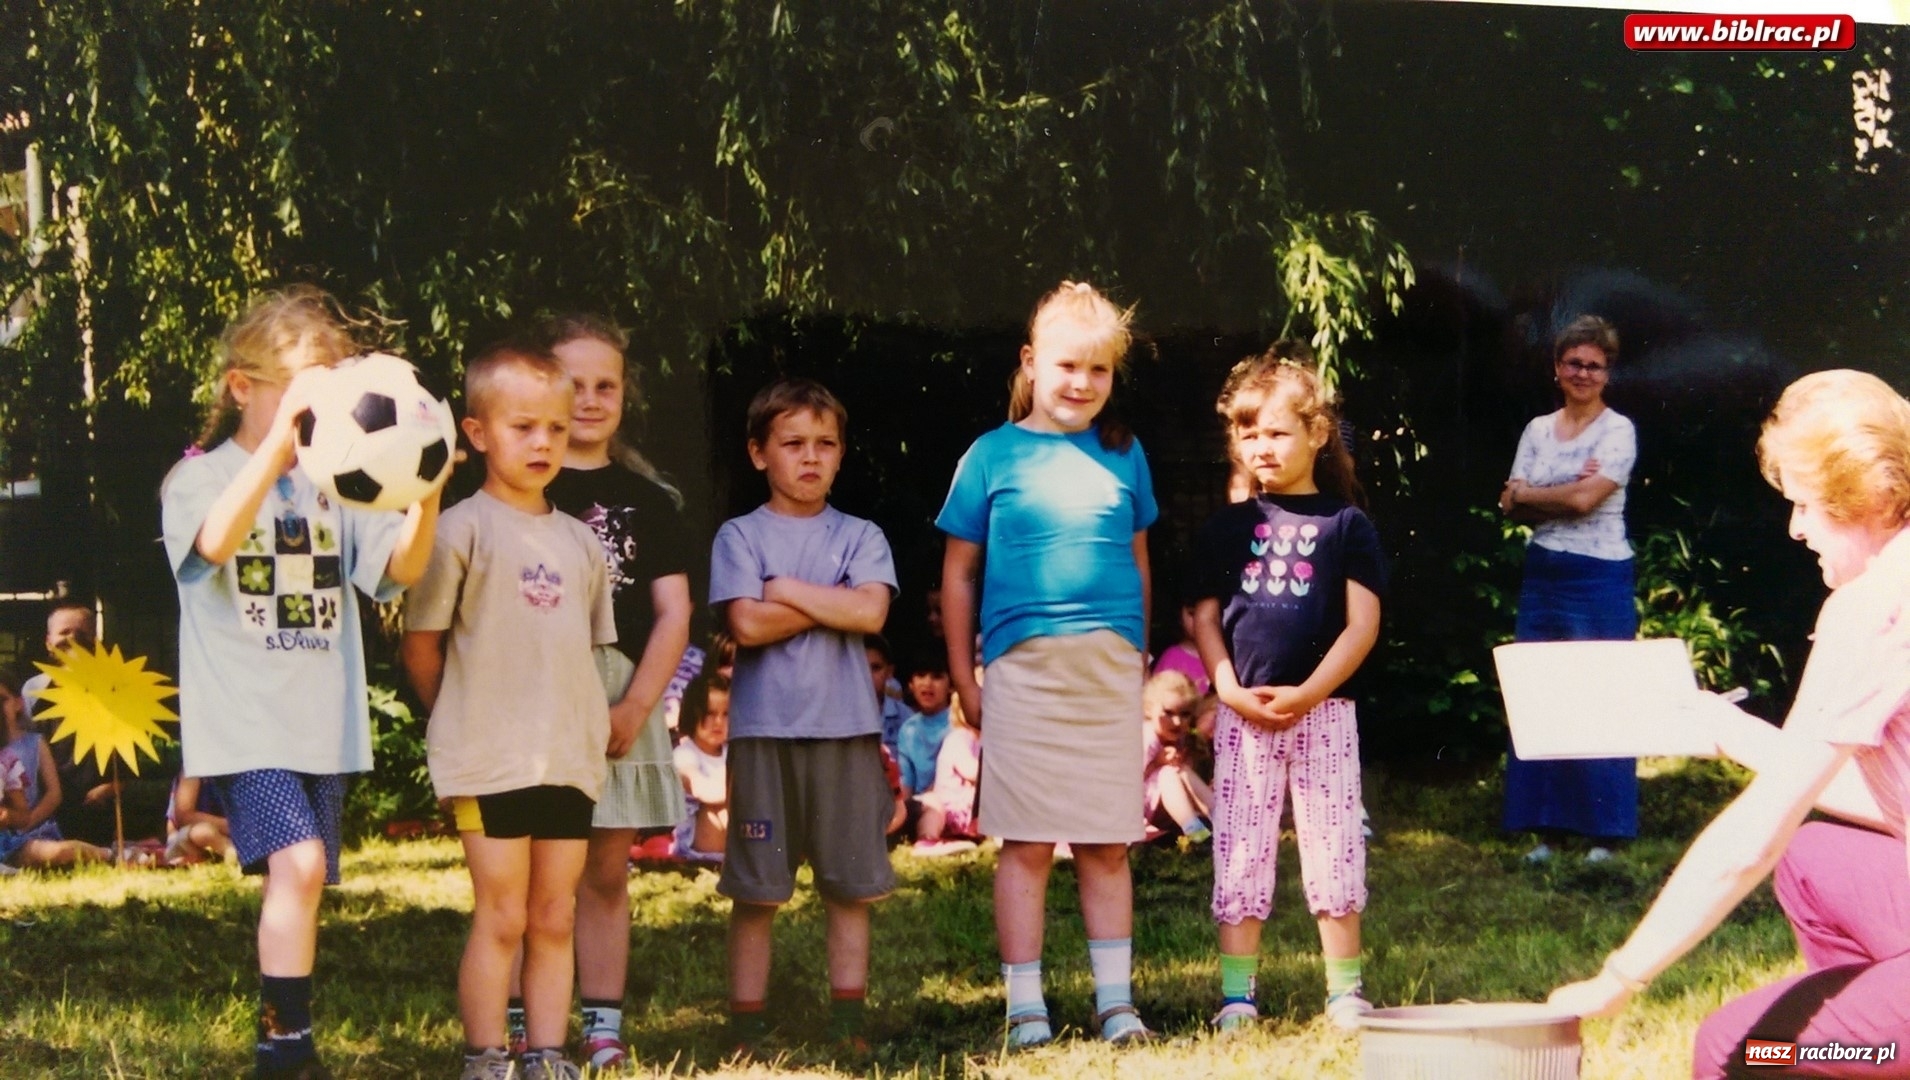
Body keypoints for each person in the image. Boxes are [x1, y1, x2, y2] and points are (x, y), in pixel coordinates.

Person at [1549, 370, 1910, 1079]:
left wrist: (1620, 978)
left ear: (1863, 497)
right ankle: (1873, 1052)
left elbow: (1752, 838)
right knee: (1815, 862)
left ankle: (1866, 1051)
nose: (1796, 527)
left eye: (1806, 505)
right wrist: (1731, 732)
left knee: (1741, 1048)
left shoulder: (1873, 610)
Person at [160, 286, 442, 1080]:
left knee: (306, 878)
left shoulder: (337, 478)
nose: (316, 410)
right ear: (239, 387)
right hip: (246, 722)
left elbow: (395, 572)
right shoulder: (197, 479)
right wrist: (274, 452)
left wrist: (425, 491)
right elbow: (211, 546)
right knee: (302, 866)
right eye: (299, 390)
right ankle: (287, 1051)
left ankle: (283, 1035)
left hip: (322, 722)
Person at [937, 280, 1159, 1047]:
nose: (1082, 384)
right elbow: (959, 572)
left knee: (1105, 842)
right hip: (1022, 670)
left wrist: (1136, 660)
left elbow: (1138, 561)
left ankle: (1115, 1002)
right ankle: (1025, 1003)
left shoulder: (1125, 455)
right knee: (1027, 843)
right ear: (1031, 363)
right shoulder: (990, 455)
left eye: (1098, 371)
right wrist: (967, 677)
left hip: (1105, 669)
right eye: (1067, 366)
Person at [401, 339, 614, 1080]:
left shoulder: (583, 542)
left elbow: (585, 652)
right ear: (478, 432)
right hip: (487, 759)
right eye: (523, 427)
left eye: (556, 428)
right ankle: (486, 1057)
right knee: (503, 915)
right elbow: (422, 647)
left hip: (568, 760)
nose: (543, 442)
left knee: (556, 916)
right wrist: (456, 720)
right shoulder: (458, 529)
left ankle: (548, 1056)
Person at [1189, 349, 1385, 1033]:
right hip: (1245, 717)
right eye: (1248, 433)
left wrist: (1308, 692)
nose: (1261, 447)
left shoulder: (1346, 525)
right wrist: (1227, 690)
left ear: (1317, 434)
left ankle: (1344, 992)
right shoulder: (1226, 528)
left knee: (1333, 846)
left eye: (1276, 431)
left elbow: (1362, 626)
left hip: (1325, 711)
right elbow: (1205, 618)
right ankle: (1238, 996)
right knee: (1241, 849)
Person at [709, 378, 897, 1054]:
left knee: (850, 886)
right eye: (793, 444)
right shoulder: (739, 535)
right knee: (757, 889)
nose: (810, 457)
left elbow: (870, 613)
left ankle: (848, 1024)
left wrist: (784, 589)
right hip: (764, 735)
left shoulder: (862, 533)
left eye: (825, 444)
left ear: (842, 454)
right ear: (760, 454)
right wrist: (830, 600)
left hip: (846, 730)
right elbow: (746, 625)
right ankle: (747, 1026)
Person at [530, 313, 695, 1071]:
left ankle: (601, 1026)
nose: (591, 399)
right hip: (530, 690)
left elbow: (673, 614)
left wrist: (636, 705)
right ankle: (525, 1021)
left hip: (616, 693)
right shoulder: (516, 481)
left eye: (607, 384)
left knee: (602, 870)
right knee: (530, 868)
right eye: (573, 384)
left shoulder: (648, 499)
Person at [1499, 315, 1639, 863]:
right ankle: (1546, 829)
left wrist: (1537, 491)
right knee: (1539, 692)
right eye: (1574, 363)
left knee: (1599, 693)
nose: (1583, 373)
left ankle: (1605, 832)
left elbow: (1585, 503)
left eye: (1595, 366)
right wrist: (1563, 487)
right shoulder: (1537, 429)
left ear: (1608, 374)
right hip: (1544, 572)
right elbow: (1510, 505)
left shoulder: (1618, 431)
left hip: (1599, 573)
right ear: (1558, 369)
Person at [0, 671, 111, 870]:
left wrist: (26, 824)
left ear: (18, 703)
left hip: (27, 831)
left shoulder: (34, 742)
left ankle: (115, 855)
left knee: (59, 852)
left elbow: (54, 794)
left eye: (2, 700)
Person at [1141, 671, 1213, 844]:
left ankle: (1223, 819)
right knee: (1169, 773)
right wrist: (1157, 763)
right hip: (1138, 808)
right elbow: (1126, 784)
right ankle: (1196, 835)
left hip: (1164, 806)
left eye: (1185, 714)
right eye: (1168, 712)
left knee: (1181, 770)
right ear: (1149, 709)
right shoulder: (1146, 738)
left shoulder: (1179, 737)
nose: (1177, 722)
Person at [671, 672, 729, 863]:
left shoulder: (732, 751)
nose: (719, 722)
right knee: (720, 807)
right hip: (696, 840)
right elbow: (706, 792)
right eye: (710, 714)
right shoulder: (684, 755)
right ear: (692, 714)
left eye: (726, 714)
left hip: (729, 832)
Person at [912, 698, 981, 855]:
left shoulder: (986, 742)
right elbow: (971, 771)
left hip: (972, 816)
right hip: (950, 811)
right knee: (933, 804)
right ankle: (927, 840)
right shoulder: (959, 737)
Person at [894, 654, 954, 808]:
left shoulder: (959, 722)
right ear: (911, 684)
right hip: (922, 807)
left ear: (951, 686)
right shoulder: (908, 730)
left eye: (937, 677)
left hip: (955, 803)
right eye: (921, 675)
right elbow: (905, 785)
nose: (928, 683)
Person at [164, 773, 235, 866]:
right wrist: (233, 826)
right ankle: (230, 850)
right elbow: (185, 817)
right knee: (201, 833)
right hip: (186, 838)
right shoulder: (192, 772)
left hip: (228, 833)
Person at [1152, 603, 1212, 696]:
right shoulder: (1172, 656)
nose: (1199, 620)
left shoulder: (1221, 659)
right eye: (1192, 614)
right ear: (1180, 615)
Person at [865, 635, 910, 755]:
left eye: (876, 668)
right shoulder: (839, 719)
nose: (868, 676)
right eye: (862, 668)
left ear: (889, 672)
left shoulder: (906, 719)